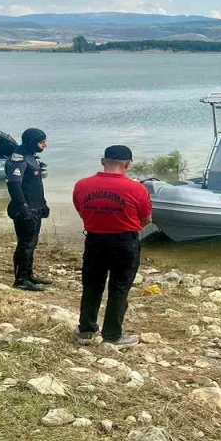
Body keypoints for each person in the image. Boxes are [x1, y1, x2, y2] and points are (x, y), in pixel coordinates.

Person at [72, 145, 152, 347]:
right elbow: (147, 219)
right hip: (124, 242)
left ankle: (86, 330)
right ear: (127, 164)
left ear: (102, 161)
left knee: (92, 286)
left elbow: (82, 212)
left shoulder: (82, 185)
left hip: (94, 240)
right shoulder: (137, 189)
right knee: (119, 288)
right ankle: (113, 335)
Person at [5, 128, 53, 291]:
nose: (45, 145)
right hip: (24, 209)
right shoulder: (18, 159)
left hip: (35, 207)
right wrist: (23, 207)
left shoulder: (30, 156)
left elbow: (35, 185)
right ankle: (20, 280)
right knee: (25, 244)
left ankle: (29, 275)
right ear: (32, 143)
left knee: (31, 243)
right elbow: (14, 185)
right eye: (42, 142)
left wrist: (43, 203)